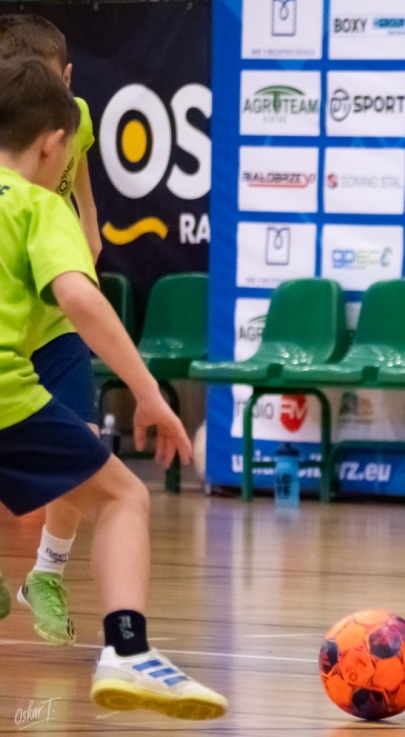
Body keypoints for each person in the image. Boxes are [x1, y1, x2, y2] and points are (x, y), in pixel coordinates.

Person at [0, 57, 227, 720]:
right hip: (7, 396)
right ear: (54, 144)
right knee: (124, 496)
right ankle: (128, 651)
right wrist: (148, 391)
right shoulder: (40, 207)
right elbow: (80, 297)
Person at [0, 13, 104, 646]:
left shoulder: (79, 119)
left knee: (84, 443)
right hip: (9, 316)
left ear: (65, 80)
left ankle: (47, 572)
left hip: (56, 313)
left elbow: (82, 187)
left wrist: (87, 235)